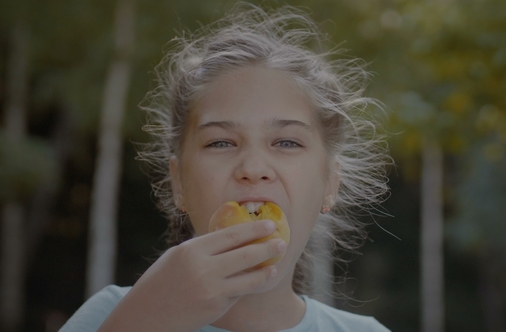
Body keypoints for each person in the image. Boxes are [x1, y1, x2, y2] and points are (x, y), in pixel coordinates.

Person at [60, 4, 392, 332]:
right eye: (221, 142)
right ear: (178, 183)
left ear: (330, 183)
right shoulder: (112, 316)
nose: (253, 167)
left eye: (287, 142)